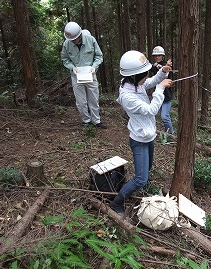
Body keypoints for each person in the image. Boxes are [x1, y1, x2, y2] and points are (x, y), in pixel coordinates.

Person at [109, 50, 173, 214]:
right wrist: (160, 89)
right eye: (144, 74)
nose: (146, 77)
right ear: (135, 75)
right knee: (140, 179)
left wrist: (162, 72)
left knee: (148, 168)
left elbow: (150, 82)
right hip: (139, 140)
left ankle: (143, 186)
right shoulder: (128, 97)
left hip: (148, 136)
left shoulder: (134, 82)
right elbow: (152, 110)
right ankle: (117, 203)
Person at [61, 22, 107, 129]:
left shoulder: (91, 40)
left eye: (74, 39)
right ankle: (86, 121)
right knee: (81, 101)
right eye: (71, 40)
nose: (72, 41)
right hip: (76, 76)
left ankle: (96, 120)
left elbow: (99, 56)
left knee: (94, 99)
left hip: (90, 75)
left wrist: (94, 67)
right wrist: (72, 67)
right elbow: (65, 59)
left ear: (80, 35)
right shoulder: (66, 44)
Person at [150, 46, 174, 134]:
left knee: (164, 117)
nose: (157, 57)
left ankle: (171, 134)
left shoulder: (166, 65)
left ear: (162, 56)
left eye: (159, 55)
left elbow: (167, 73)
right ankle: (166, 133)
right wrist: (157, 66)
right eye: (155, 56)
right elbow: (151, 67)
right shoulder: (155, 66)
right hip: (158, 96)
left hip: (166, 96)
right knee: (162, 116)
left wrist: (164, 67)